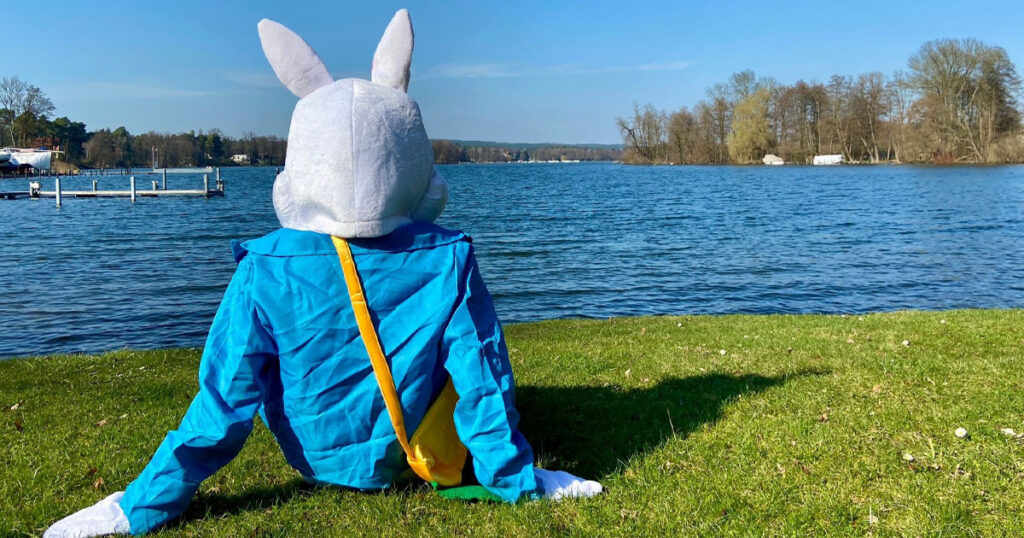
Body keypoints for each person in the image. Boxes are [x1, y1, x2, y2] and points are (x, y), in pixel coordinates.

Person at [45, 10, 600, 537]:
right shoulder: (447, 256)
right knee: (470, 367)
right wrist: (516, 481)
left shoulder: (266, 265)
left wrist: (139, 504)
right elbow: (483, 380)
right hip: (414, 460)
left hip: (315, 461)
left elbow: (223, 402)